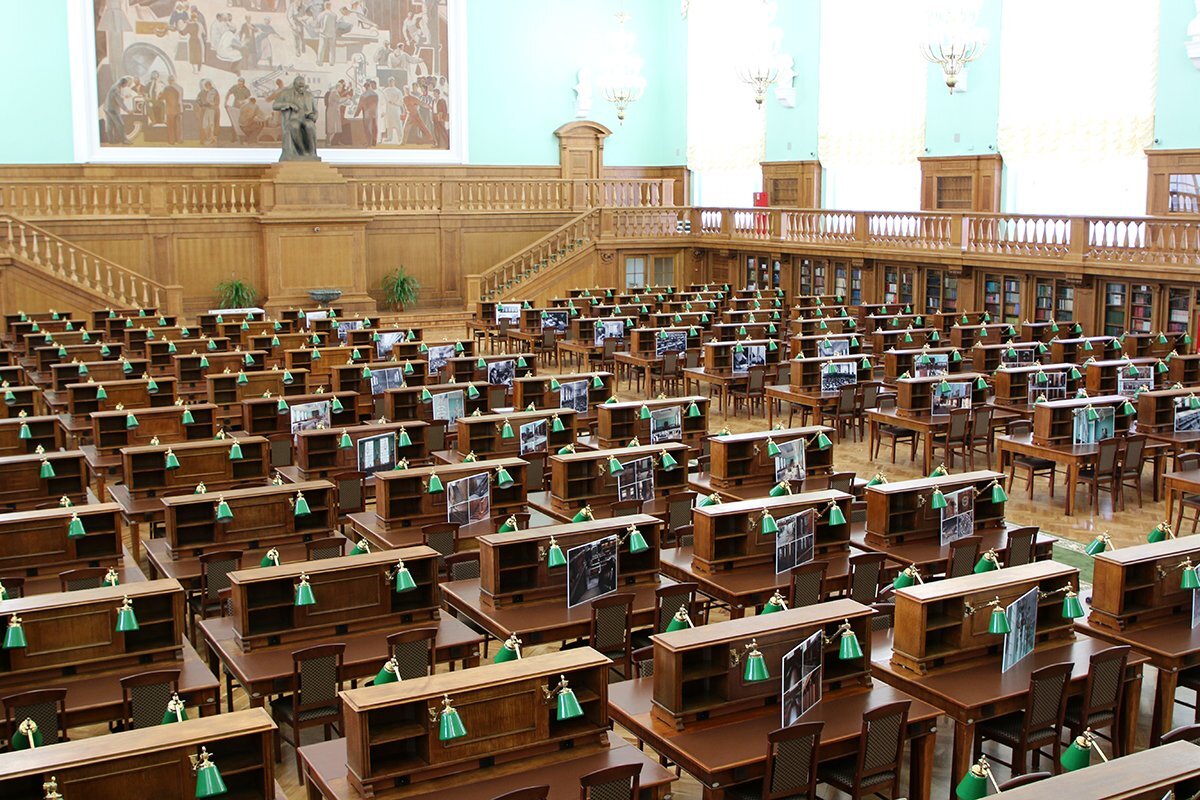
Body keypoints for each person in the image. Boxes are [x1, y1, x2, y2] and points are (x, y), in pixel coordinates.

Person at [272, 75, 319, 161]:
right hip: (292, 119)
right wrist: (288, 104)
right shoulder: (286, 94)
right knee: (294, 126)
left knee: (310, 125)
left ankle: (312, 152)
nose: (301, 88)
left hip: (306, 118)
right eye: (299, 86)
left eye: (303, 86)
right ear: (294, 84)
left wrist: (314, 115)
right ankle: (302, 151)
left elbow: (315, 111)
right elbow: (275, 105)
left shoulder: (309, 95)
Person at [103, 77, 132, 144]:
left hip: (107, 108)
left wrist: (123, 97)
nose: (126, 85)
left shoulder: (115, 87)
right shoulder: (116, 89)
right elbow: (120, 102)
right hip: (112, 109)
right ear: (123, 83)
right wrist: (127, 110)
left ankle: (111, 141)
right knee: (121, 124)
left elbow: (116, 97)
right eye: (126, 84)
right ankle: (124, 140)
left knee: (110, 125)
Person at [225, 78, 252, 143]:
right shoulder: (235, 87)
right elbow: (228, 93)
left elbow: (249, 99)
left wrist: (243, 101)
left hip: (243, 108)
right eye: (239, 82)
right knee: (234, 122)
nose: (240, 84)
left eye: (241, 83)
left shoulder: (246, 90)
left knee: (243, 123)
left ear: (243, 83)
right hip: (235, 106)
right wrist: (225, 102)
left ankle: (244, 139)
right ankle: (233, 138)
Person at [196, 79, 220, 145]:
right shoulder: (207, 91)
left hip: (212, 109)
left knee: (211, 124)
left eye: (207, 85)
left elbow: (212, 102)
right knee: (205, 124)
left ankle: (212, 139)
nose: (206, 87)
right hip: (208, 109)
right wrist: (200, 102)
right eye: (205, 86)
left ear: (209, 85)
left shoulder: (213, 91)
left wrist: (205, 104)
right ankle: (209, 138)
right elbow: (198, 99)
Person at [356, 80, 379, 146]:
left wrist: (356, 114)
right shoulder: (375, 94)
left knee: (367, 128)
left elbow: (360, 106)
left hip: (367, 113)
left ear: (365, 87)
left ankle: (369, 142)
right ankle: (374, 142)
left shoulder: (363, 95)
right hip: (374, 113)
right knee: (374, 127)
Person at [161, 75, 184, 144]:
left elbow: (162, 97)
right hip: (179, 109)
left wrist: (159, 95)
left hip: (170, 110)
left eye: (168, 80)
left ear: (169, 81)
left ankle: (172, 141)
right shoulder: (180, 88)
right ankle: (179, 140)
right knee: (179, 126)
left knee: (171, 126)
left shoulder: (167, 88)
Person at [381, 77, 404, 144]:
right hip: (388, 110)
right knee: (389, 124)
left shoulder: (398, 91)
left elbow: (401, 101)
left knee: (398, 124)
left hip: (396, 110)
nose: (391, 82)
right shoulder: (385, 91)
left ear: (394, 82)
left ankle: (400, 137)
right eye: (390, 81)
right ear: (388, 82)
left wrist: (394, 102)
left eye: (392, 81)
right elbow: (383, 101)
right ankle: (389, 137)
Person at [317, 1, 337, 65]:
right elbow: (335, 24)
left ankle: (320, 62)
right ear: (330, 6)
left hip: (323, 34)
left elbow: (318, 22)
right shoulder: (334, 15)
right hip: (332, 34)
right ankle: (332, 62)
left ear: (325, 6)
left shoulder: (321, 14)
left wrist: (320, 29)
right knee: (332, 48)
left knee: (321, 48)